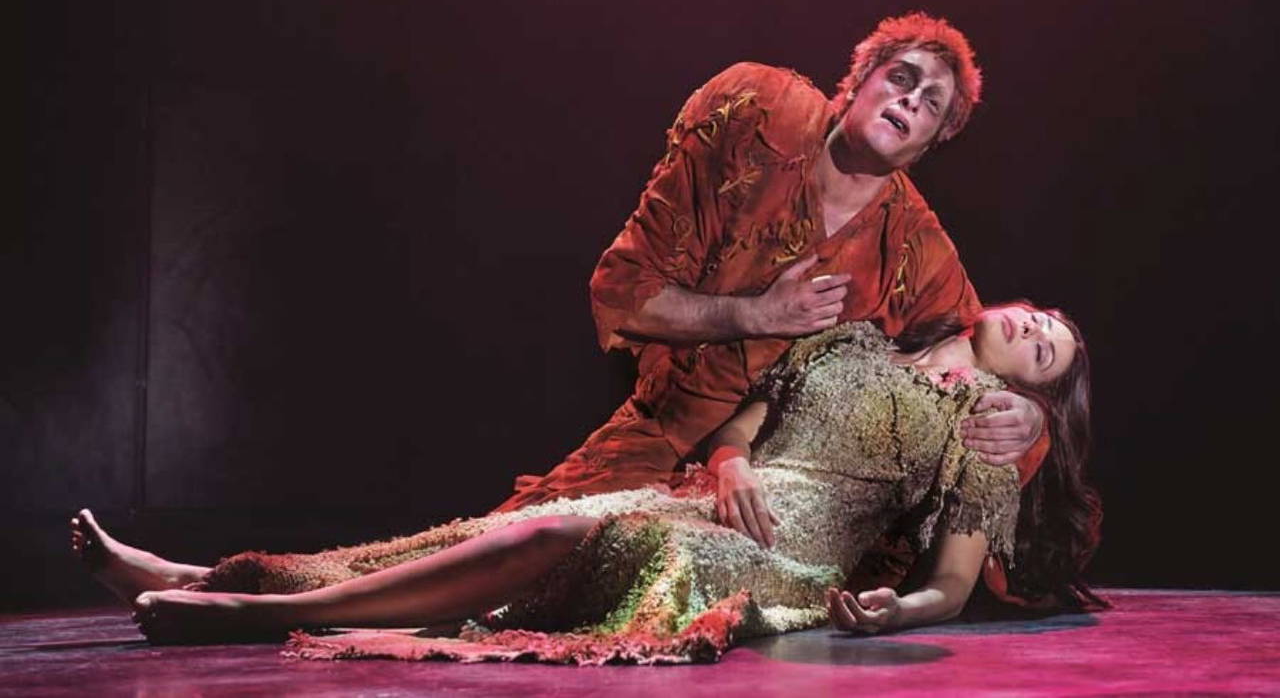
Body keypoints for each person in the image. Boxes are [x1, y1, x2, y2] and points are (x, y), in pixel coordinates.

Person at [71, 303, 1101, 664]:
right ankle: (207, 574)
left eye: (1047, 349)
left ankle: (251, 619)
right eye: (1039, 314)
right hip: (709, 497)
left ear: (1036, 393)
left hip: (778, 559)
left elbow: (949, 586)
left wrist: (890, 612)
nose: (1033, 327)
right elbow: (746, 419)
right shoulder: (855, 340)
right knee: (489, 536)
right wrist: (731, 458)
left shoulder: (984, 431)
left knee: (542, 545)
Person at [493, 12, 1051, 605]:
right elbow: (622, 295)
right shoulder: (757, 114)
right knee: (507, 560)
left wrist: (1032, 418)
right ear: (858, 79)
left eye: (932, 103)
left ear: (933, 140)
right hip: (658, 440)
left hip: (776, 500)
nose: (910, 100)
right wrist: (757, 315)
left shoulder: (916, 251)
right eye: (900, 78)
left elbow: (977, 347)